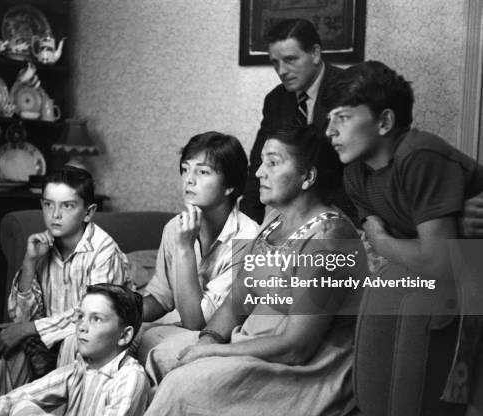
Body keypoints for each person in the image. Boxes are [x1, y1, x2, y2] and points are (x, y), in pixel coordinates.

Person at [144, 126, 368, 415]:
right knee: (159, 352)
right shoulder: (274, 222)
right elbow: (237, 301)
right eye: (262, 162)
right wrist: (209, 338)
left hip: (307, 369)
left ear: (308, 177)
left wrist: (214, 352)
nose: (260, 172)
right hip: (253, 343)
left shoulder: (329, 237)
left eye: (273, 163)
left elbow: (296, 347)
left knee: (182, 384)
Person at [322, 61, 483, 279]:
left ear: (384, 121)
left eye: (343, 118)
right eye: (329, 120)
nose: (329, 131)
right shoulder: (355, 174)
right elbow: (415, 251)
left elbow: (438, 263)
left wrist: (379, 239)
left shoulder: (419, 156)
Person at [0, 167, 132, 404]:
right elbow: (21, 317)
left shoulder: (104, 251)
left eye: (67, 206)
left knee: (74, 340)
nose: (55, 215)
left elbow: (95, 318)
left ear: (88, 212)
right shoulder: (43, 247)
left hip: (97, 337)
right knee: (7, 348)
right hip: (50, 336)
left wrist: (28, 329)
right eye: (48, 204)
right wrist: (30, 261)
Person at [138, 132, 259, 361]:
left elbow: (197, 322)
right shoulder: (175, 226)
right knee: (103, 333)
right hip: (175, 324)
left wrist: (184, 248)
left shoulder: (248, 238)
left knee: (155, 346)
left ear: (229, 186)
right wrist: (117, 309)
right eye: (185, 169)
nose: (189, 180)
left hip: (213, 335)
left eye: (202, 172)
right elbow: (162, 298)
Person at [0, 283, 149, 416]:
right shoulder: (80, 369)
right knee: (23, 405)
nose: (82, 327)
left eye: (97, 319)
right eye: (81, 316)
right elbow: (11, 399)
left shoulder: (129, 378)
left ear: (124, 336)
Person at [240, 18, 345, 223]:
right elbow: (258, 165)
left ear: (315, 53)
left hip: (343, 214)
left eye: (290, 59)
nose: (282, 71)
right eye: (275, 62)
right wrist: (246, 227)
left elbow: (359, 167)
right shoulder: (276, 100)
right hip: (290, 215)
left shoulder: (348, 88)